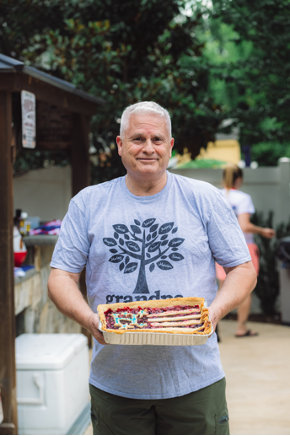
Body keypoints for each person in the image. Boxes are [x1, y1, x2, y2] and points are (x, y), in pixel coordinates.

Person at [48, 101, 257, 435]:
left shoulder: (203, 198)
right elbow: (60, 275)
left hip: (195, 382)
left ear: (170, 146)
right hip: (116, 386)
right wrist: (89, 320)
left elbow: (243, 269)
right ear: (120, 145)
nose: (148, 148)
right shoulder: (88, 203)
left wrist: (212, 315)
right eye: (137, 139)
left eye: (157, 139)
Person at [216, 163, 275, 338]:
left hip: (219, 248)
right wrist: (263, 231)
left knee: (220, 289)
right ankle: (241, 327)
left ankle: (213, 327)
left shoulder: (215, 195)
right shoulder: (243, 198)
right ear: (239, 179)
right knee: (245, 288)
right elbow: (244, 226)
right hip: (243, 248)